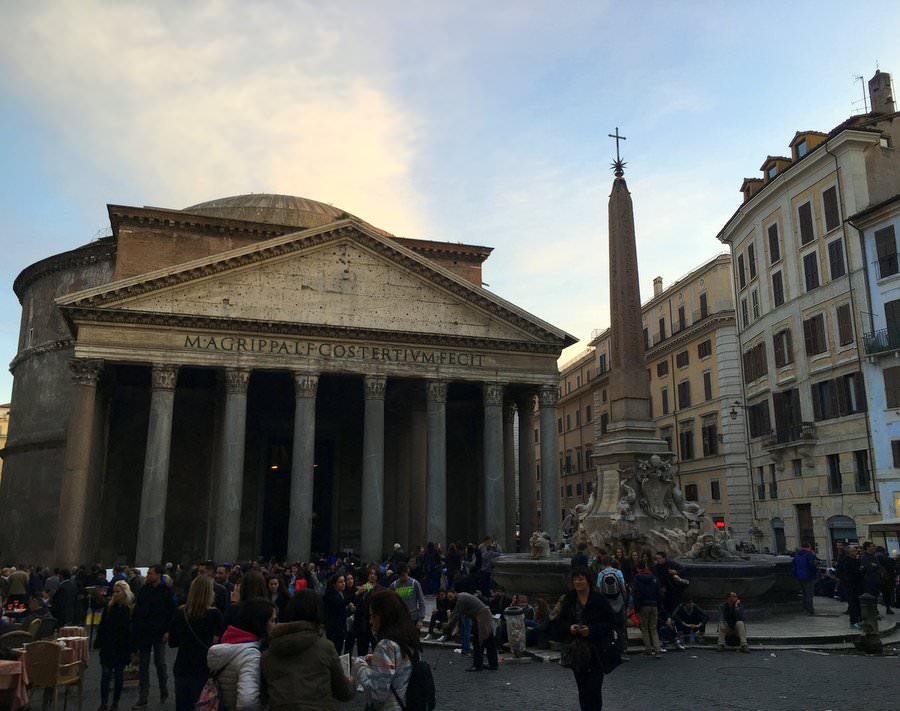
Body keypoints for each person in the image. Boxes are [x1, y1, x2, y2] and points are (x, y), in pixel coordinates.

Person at [262, 589, 355, 710]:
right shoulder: (325, 647)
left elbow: (263, 696)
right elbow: (344, 693)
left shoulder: (269, 654)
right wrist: (352, 681)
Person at [557, 566, 615, 710]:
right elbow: (560, 622)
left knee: (594, 688)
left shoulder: (599, 599)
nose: (577, 582)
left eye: (581, 579)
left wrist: (592, 630)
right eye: (575, 579)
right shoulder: (569, 599)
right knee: (582, 689)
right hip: (577, 650)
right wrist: (570, 628)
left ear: (588, 581)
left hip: (596, 649)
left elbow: (611, 622)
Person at [354, 589, 420, 710]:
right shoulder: (408, 638)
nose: (370, 621)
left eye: (373, 616)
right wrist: (376, 660)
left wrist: (360, 666)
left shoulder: (386, 645)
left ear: (383, 617)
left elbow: (377, 693)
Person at [168, 575, 224, 711]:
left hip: (183, 665)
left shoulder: (181, 612)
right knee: (204, 705)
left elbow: (172, 641)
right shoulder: (215, 615)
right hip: (205, 668)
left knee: (182, 705)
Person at [207, 598, 275, 710]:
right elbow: (247, 702)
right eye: (272, 621)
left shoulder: (229, 647)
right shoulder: (250, 655)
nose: (275, 625)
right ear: (261, 623)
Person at [131, 564, 176, 709]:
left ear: (158, 575)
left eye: (150, 573)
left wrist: (168, 631)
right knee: (143, 665)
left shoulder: (167, 592)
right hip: (144, 633)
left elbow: (172, 613)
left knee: (160, 663)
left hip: (159, 633)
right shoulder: (143, 590)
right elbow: (138, 612)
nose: (148, 576)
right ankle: (143, 697)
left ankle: (163, 688)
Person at [94, 580, 134, 711]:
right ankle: (104, 702)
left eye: (118, 591)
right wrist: (99, 642)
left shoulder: (128, 610)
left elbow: (130, 631)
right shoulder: (109, 608)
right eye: (114, 591)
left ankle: (115, 702)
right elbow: (102, 627)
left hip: (120, 647)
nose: (115, 594)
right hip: (109, 646)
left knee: (118, 675)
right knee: (106, 675)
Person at [441, 590, 497, 672]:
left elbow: (456, 614)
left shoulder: (461, 599)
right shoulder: (461, 597)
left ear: (455, 593)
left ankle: (478, 665)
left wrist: (448, 627)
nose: (450, 599)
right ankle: (493, 664)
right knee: (489, 640)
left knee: (478, 642)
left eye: (450, 596)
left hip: (481, 617)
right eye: (448, 598)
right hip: (482, 616)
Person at [632, 565, 661, 659]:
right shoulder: (655, 579)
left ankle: (648, 649)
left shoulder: (637, 579)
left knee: (644, 628)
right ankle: (657, 650)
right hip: (654, 605)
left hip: (643, 605)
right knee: (653, 628)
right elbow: (659, 593)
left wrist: (636, 609)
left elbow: (636, 595)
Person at [390, 563, 426, 629]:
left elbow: (421, 601)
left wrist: (421, 619)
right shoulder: (394, 585)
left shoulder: (414, 583)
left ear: (407, 572)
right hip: (399, 618)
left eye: (404, 575)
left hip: (413, 618)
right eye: (401, 576)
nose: (403, 578)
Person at [837, 546, 864, 629]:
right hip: (851, 585)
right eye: (854, 551)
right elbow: (844, 573)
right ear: (849, 552)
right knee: (853, 604)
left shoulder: (856, 560)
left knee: (858, 603)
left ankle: (859, 620)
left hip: (857, 584)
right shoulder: (847, 562)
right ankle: (854, 622)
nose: (856, 552)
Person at [323, 573, 350, 653]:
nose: (343, 583)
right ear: (334, 584)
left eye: (344, 581)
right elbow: (339, 604)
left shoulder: (342, 593)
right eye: (340, 582)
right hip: (334, 629)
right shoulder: (331, 595)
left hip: (341, 628)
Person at [793, 542, 819, 615]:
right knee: (809, 594)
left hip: (800, 577)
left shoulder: (797, 555)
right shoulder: (809, 555)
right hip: (809, 577)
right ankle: (810, 610)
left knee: (804, 594)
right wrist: (815, 574)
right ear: (809, 547)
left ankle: (805, 609)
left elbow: (794, 566)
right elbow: (813, 566)